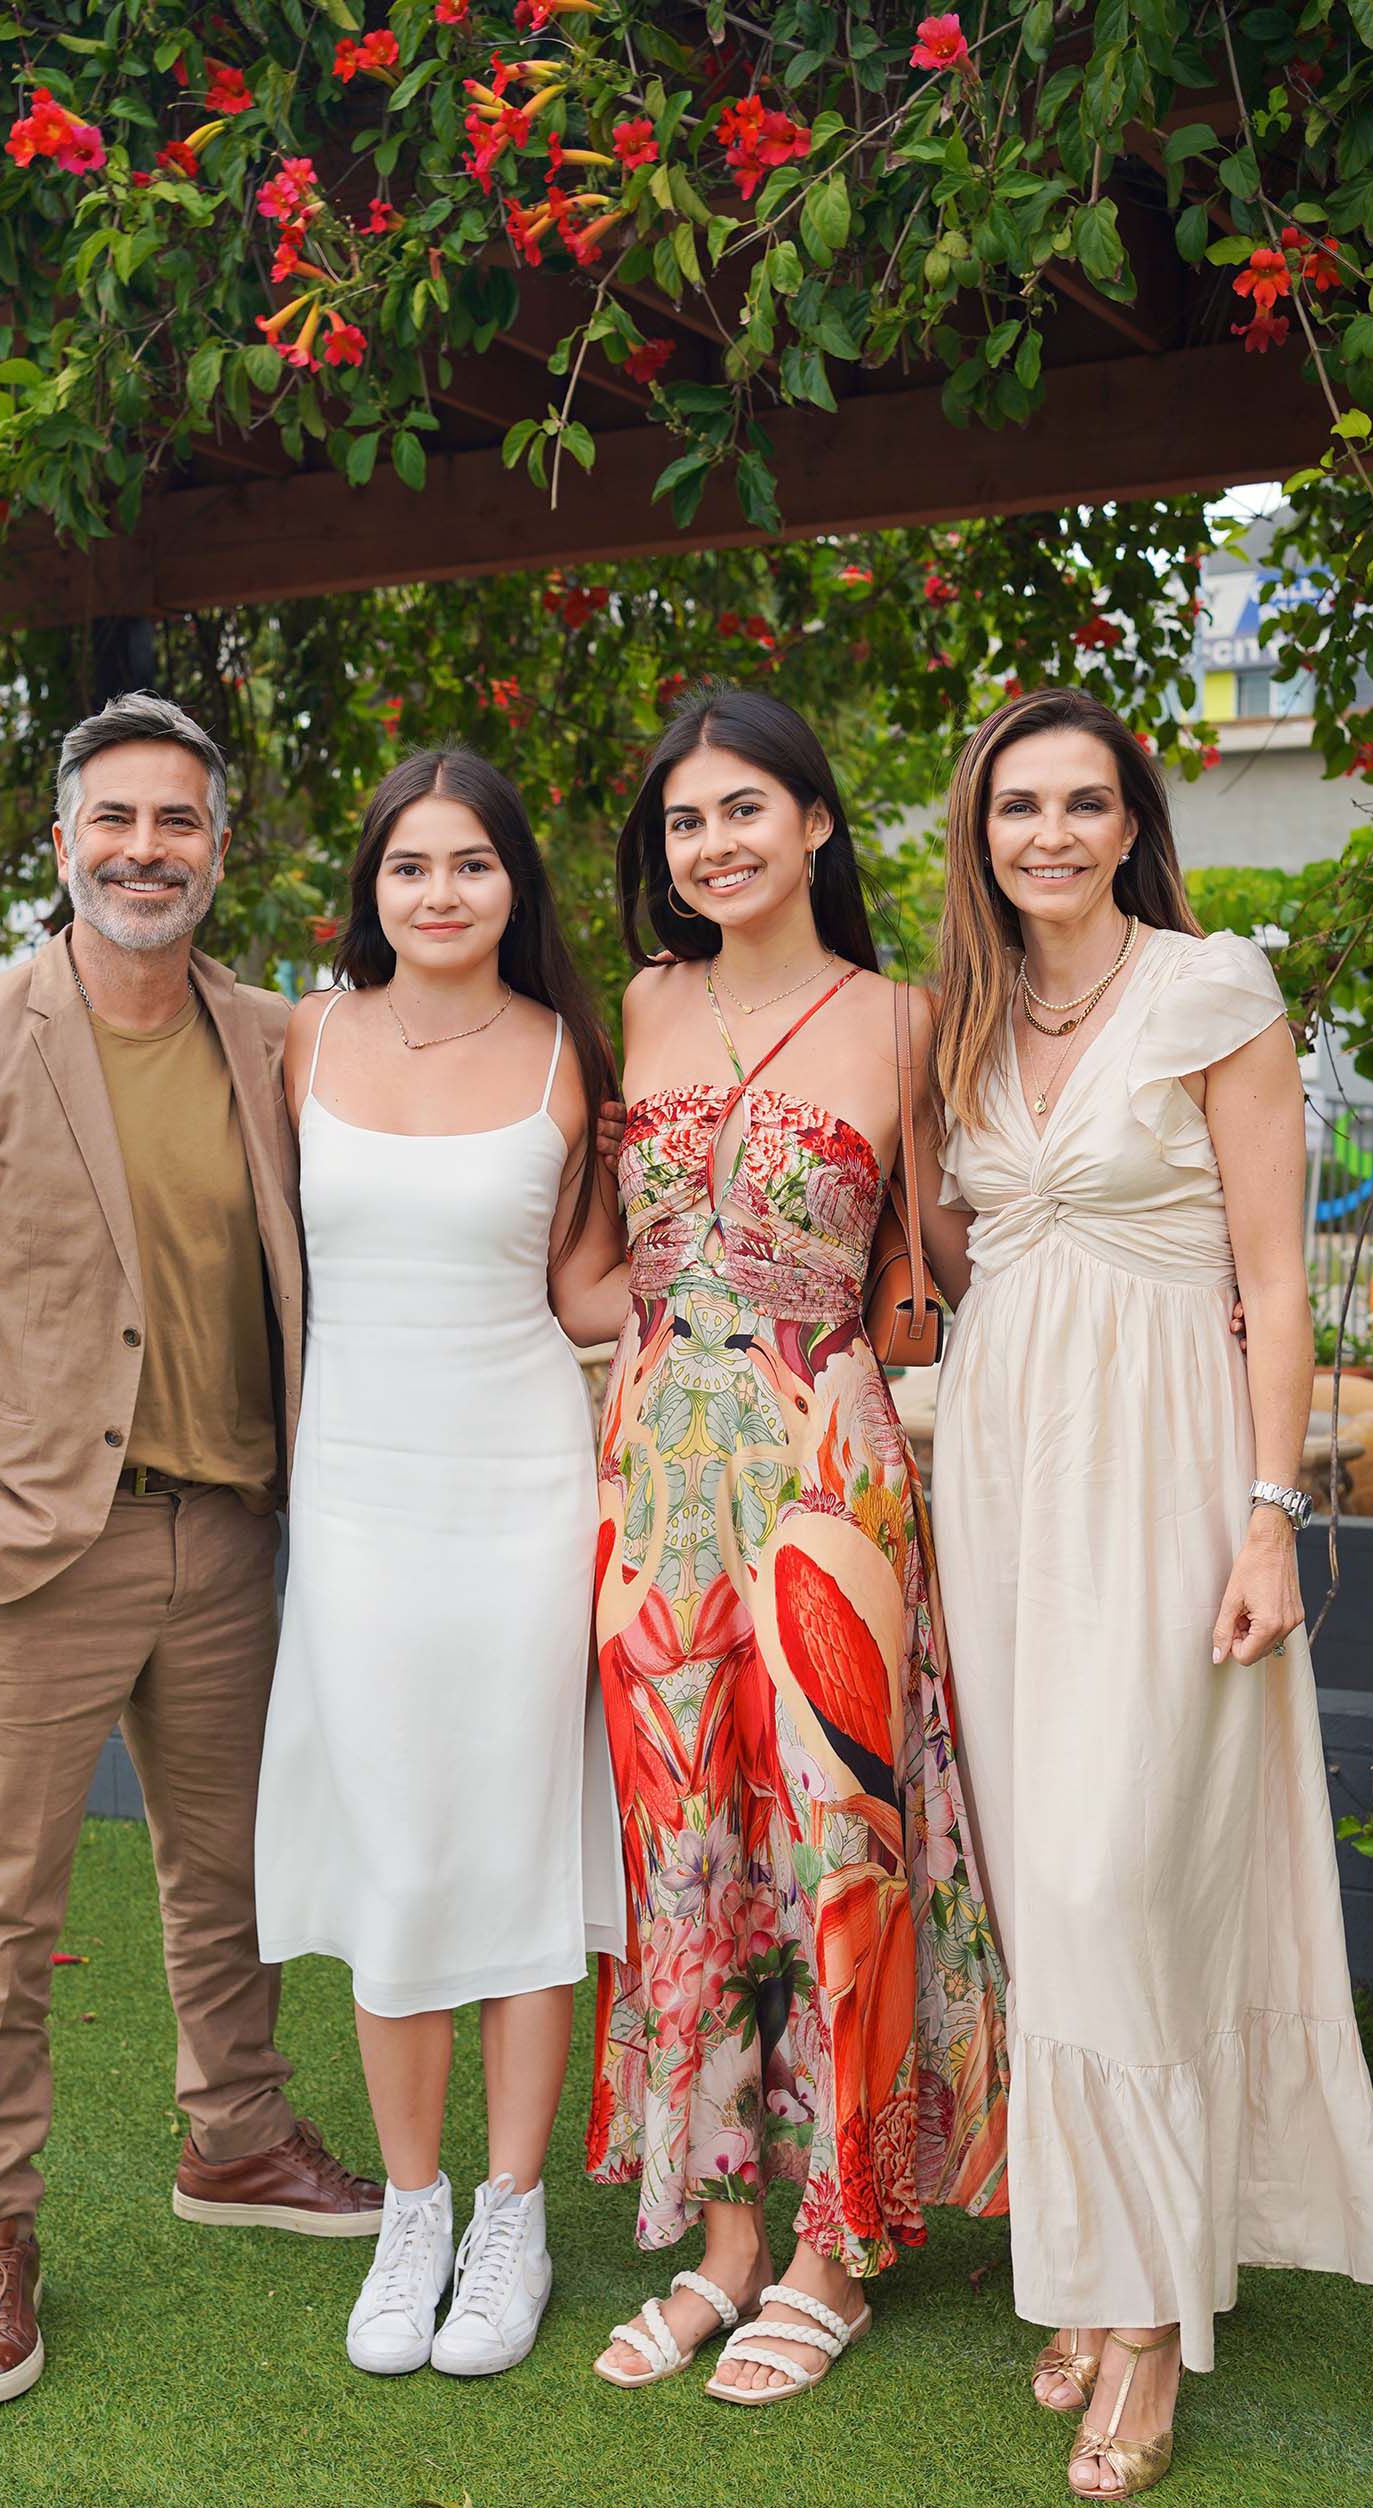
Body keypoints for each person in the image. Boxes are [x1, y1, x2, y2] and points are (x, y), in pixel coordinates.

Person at [0, 690, 383, 2410]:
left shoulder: (276, 1038)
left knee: (230, 1878)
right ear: (63, 840)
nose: (145, 849)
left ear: (220, 851)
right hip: (34, 1557)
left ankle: (235, 2137)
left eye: (179, 822)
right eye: (116, 819)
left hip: (228, 1539)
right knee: (1, 1913)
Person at [925, 685, 1373, 2500]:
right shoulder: (969, 1019)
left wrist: (1269, 1518)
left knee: (1120, 1868)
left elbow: (1273, 1286)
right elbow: (972, 1258)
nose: (1048, 832)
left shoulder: (1216, 991)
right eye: (1017, 805)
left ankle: (1143, 2332)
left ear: (1134, 825)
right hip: (1002, 1473)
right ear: (982, 833)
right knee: (1049, 1880)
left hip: (1171, 1475)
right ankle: (1103, 2255)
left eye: (1083, 803)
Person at [586, 687, 1008, 2406]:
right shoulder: (640, 1003)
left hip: (830, 1464)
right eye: (686, 822)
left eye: (746, 810)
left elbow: (961, 1248)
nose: (715, 845)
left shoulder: (902, 1017)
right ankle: (728, 2237)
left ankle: (839, 2238)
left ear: (818, 824)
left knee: (838, 1843)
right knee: (683, 1850)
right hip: (650, 1481)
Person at [255, 748, 627, 2379]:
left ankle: (513, 2214)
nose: (441, 892)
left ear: (514, 888)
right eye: (411, 865)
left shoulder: (568, 1055)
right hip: (354, 1494)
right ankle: (413, 2209)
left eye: (472, 863)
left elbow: (590, 1292)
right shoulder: (305, 1039)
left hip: (524, 1488)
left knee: (519, 1848)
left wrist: (744, 1264)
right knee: (398, 1845)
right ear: (372, 889)